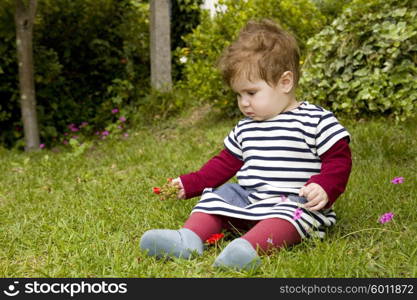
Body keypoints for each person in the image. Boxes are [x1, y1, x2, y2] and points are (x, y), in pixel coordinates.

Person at [140, 19, 352, 270]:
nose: (244, 103)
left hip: (294, 202)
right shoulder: (245, 127)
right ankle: (188, 238)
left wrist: (324, 186)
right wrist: (192, 183)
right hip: (250, 199)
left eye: (251, 93)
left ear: (285, 82)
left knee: (290, 214)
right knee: (220, 196)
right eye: (239, 95)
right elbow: (223, 164)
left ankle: (248, 248)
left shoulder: (315, 120)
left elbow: (339, 160)